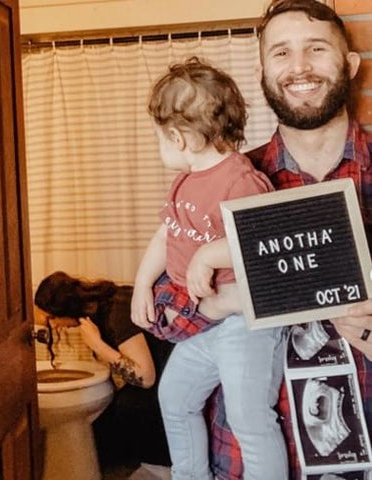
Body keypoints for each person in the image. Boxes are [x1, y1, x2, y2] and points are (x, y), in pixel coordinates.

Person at [207, 1, 372, 479]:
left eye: (316, 49)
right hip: (254, 459)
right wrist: (223, 299)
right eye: (281, 53)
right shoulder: (227, 181)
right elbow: (164, 313)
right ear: (261, 72)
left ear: (350, 64)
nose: (298, 67)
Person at [131, 57, 288, 480]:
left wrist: (208, 256)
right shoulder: (184, 182)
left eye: (159, 137)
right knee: (174, 398)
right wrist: (142, 284)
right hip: (200, 323)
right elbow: (167, 235)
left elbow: (264, 240)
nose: (159, 145)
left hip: (244, 326)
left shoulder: (241, 180)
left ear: (180, 137)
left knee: (249, 418)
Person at [34, 271, 174, 469]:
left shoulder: (116, 312)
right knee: (100, 434)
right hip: (165, 377)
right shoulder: (103, 306)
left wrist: (98, 345)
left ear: (65, 308)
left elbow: (146, 377)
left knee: (117, 421)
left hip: (169, 385)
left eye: (51, 319)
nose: (54, 326)